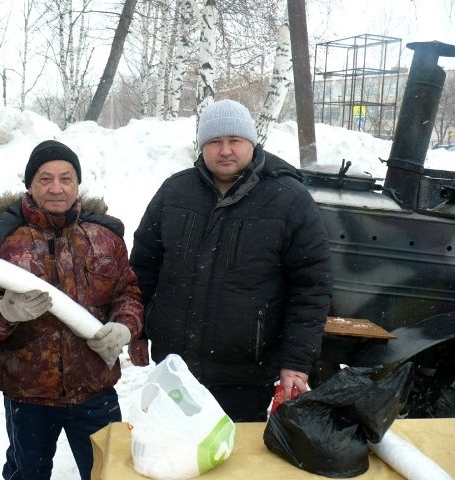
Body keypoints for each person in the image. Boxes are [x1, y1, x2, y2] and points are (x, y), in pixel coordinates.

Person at [129, 99, 333, 422]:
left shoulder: (288, 199)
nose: (225, 150)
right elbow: (142, 269)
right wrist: (137, 331)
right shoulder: (174, 193)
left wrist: (296, 360)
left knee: (233, 465)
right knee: (172, 456)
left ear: (251, 142)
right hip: (174, 370)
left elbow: (311, 288)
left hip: (245, 378)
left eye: (234, 141)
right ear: (202, 146)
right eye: (214, 142)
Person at [0, 139, 144, 480]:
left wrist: (125, 327)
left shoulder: (105, 234)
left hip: (95, 388)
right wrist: (5, 312)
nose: (56, 188)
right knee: (27, 473)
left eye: (66, 178)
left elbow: (129, 292)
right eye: (45, 178)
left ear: (78, 184)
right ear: (29, 185)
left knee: (109, 472)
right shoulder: (1, 238)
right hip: (28, 393)